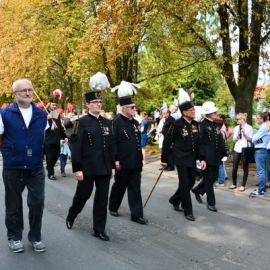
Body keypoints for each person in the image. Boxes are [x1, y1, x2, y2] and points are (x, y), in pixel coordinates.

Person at [0, 78, 48, 253]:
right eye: (23, 91)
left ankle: (35, 237)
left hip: (35, 166)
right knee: (13, 203)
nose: (28, 93)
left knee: (37, 202)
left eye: (30, 89)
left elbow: (44, 137)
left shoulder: (41, 114)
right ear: (15, 94)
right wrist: (9, 153)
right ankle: (14, 237)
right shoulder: (4, 113)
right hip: (13, 166)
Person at [66, 72, 114, 241]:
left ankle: (99, 229)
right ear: (88, 105)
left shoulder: (107, 123)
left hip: (103, 168)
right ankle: (72, 214)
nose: (98, 104)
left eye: (100, 102)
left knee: (102, 199)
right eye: (95, 102)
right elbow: (76, 147)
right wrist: (77, 168)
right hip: (87, 168)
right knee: (83, 196)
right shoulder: (81, 122)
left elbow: (110, 146)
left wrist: (113, 166)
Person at [109, 81, 148, 225]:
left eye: (135, 107)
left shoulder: (135, 123)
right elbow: (113, 143)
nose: (135, 109)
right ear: (124, 109)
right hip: (123, 162)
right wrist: (116, 160)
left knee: (135, 188)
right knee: (119, 186)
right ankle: (113, 206)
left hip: (135, 161)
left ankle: (137, 215)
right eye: (132, 107)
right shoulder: (116, 122)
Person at [161, 101, 206, 221]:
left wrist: (202, 158)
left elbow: (199, 142)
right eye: (192, 110)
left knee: (190, 183)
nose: (194, 112)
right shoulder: (175, 124)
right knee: (184, 184)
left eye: (194, 110)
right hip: (180, 158)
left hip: (192, 158)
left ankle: (175, 199)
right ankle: (188, 210)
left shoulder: (197, 124)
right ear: (185, 112)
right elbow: (167, 141)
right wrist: (164, 159)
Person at [192, 101, 227, 212]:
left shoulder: (216, 125)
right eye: (214, 112)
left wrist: (224, 152)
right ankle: (211, 203)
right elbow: (200, 142)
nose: (216, 113)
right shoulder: (201, 125)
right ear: (209, 113)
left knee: (214, 176)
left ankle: (197, 190)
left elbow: (220, 140)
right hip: (206, 157)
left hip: (216, 156)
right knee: (208, 180)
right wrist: (201, 157)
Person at [44, 92, 66, 180]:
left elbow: (60, 127)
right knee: (49, 157)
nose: (54, 106)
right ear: (49, 105)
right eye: (53, 105)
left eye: (56, 105)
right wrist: (46, 118)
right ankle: (51, 174)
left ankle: (49, 167)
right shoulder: (44, 114)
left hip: (56, 139)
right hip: (48, 139)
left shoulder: (57, 114)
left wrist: (64, 136)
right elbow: (40, 126)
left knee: (56, 156)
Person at [229, 113, 253, 191]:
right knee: (234, 167)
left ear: (243, 119)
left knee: (245, 167)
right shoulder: (236, 128)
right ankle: (234, 183)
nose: (237, 120)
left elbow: (250, 139)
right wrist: (238, 135)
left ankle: (243, 185)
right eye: (236, 119)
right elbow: (234, 140)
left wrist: (244, 133)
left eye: (238, 119)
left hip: (245, 149)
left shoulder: (249, 127)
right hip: (237, 148)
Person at [250, 112, 269, 197]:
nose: (256, 119)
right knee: (262, 171)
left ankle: (261, 190)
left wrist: (256, 139)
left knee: (261, 171)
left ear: (263, 119)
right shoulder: (264, 127)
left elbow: (253, 138)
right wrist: (257, 139)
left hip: (260, 151)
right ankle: (262, 189)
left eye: (258, 118)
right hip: (262, 150)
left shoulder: (264, 127)